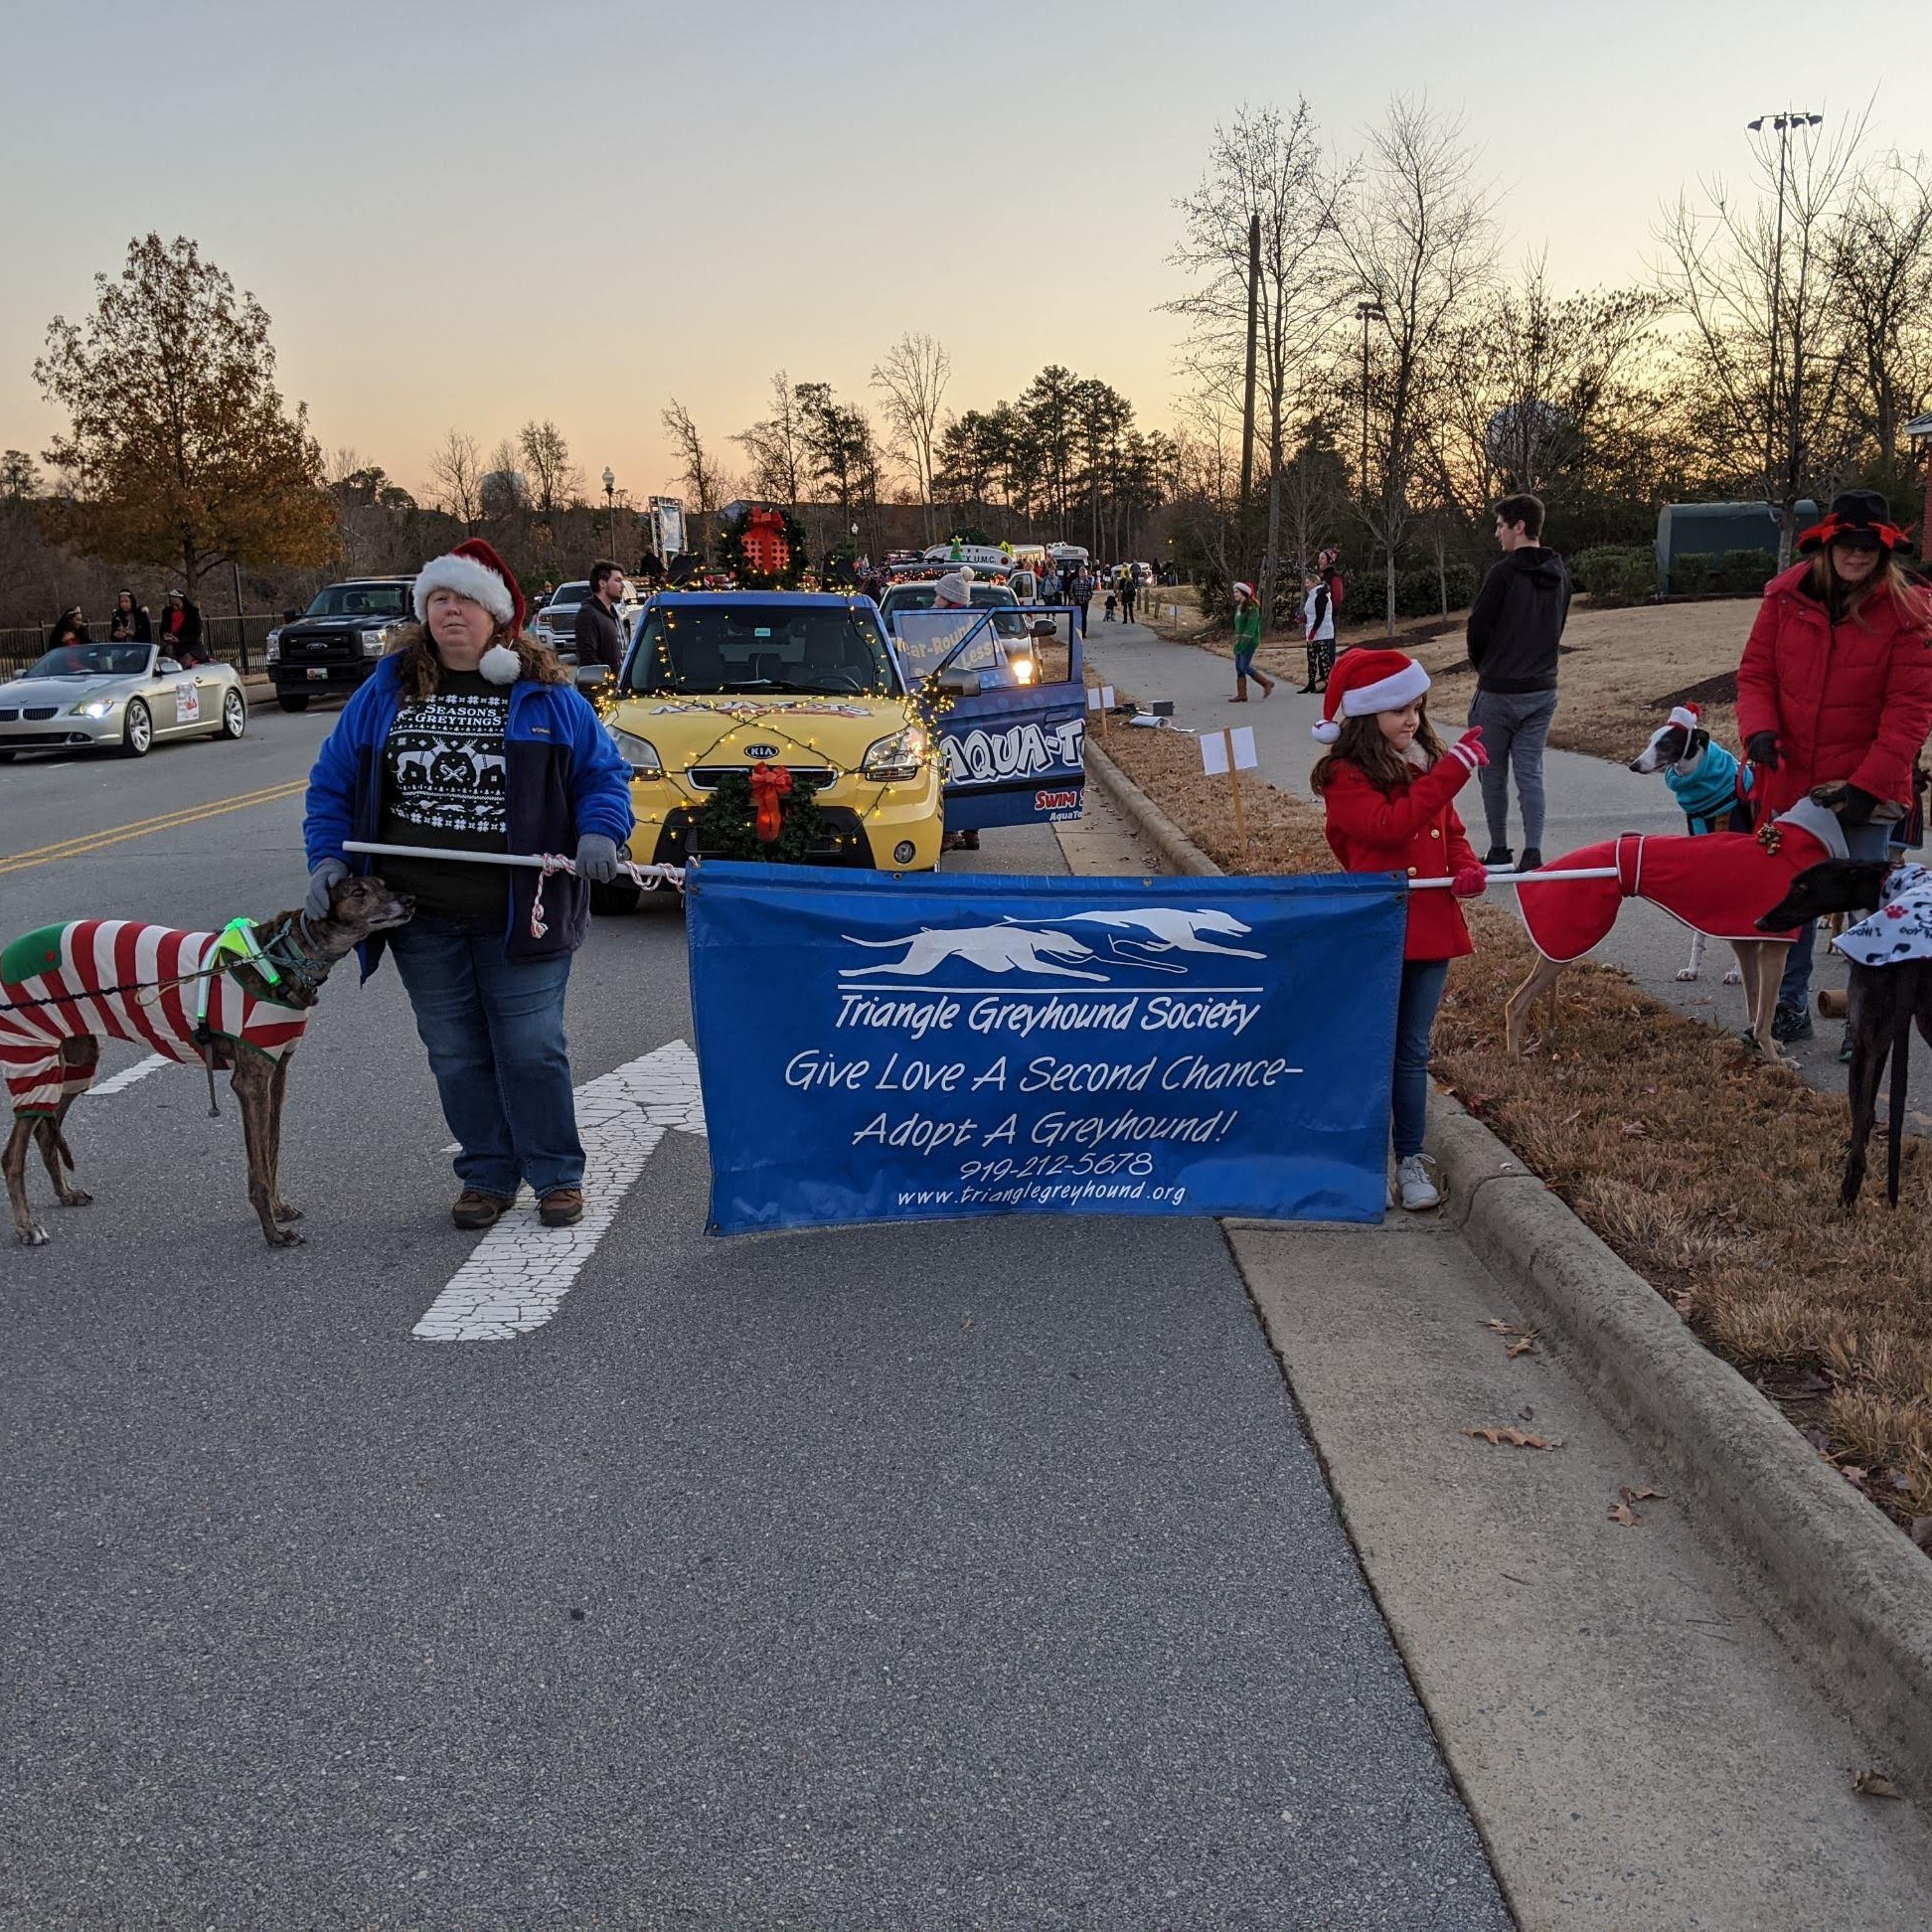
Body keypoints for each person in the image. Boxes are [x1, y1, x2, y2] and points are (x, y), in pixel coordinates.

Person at [302, 538, 633, 1231]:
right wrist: (327, 858)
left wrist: (602, 828)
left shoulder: (544, 693)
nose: (453, 613)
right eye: (441, 600)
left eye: (468, 601)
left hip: (524, 911)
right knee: (455, 1050)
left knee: (532, 1046)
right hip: (419, 916)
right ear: (426, 611)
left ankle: (555, 1175)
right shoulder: (386, 690)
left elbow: (602, 774)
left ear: (499, 616)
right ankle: (486, 1173)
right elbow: (333, 780)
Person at [1736, 489, 1932, 1045]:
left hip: (1870, 784)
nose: (1858, 554)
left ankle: (1865, 1025)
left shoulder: (1910, 611)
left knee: (1868, 910)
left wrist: (1868, 786)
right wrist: (1760, 730)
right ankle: (1784, 1011)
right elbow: (1755, 675)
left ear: (1885, 551)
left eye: (1870, 545)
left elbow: (1911, 709)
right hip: (1794, 780)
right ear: (1829, 543)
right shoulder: (1784, 598)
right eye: (1849, 542)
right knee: (1792, 899)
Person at [1309, 649, 1488, 1209]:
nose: (1411, 720)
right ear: (1366, 716)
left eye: (1417, 707)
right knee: (1370, 1048)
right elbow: (1390, 828)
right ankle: (1365, 1161)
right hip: (1377, 927)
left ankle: (1411, 1158)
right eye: (1396, 710)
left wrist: (1465, 866)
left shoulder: (1425, 762)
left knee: (1411, 1052)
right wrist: (1452, 774)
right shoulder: (1344, 775)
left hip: (1429, 925)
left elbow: (1446, 829)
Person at [1465, 492, 1570, 873]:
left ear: (1519, 527)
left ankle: (1498, 850)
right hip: (1542, 689)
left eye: (1500, 526)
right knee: (1531, 771)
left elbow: (1478, 627)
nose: (1497, 534)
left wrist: (1485, 665)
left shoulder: (1504, 574)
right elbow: (1558, 624)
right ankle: (1534, 851)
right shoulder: (1559, 573)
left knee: (1492, 772)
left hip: (1499, 691)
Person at [573, 559, 627, 675]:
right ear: (602, 583)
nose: (623, 586)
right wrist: (606, 681)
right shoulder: (588, 614)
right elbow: (587, 659)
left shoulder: (614, 615)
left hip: (620, 688)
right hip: (603, 689)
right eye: (618, 580)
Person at [1229, 580, 1274, 701]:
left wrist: (1244, 642)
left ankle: (1266, 683)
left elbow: (1251, 627)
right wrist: (1237, 642)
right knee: (1239, 667)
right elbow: (1238, 627)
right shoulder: (1239, 607)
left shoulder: (1252, 607)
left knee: (1244, 666)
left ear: (1244, 593)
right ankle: (1242, 694)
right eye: (1234, 592)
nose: (1235, 594)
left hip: (1250, 642)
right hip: (1240, 641)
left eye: (1237, 592)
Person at [1301, 568, 1335, 693]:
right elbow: (1311, 615)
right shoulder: (1311, 597)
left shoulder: (1321, 596)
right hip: (1311, 631)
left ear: (1315, 582)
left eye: (1308, 582)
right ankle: (1311, 683)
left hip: (1323, 633)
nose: (1306, 585)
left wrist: (1312, 634)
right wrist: (1302, 619)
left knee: (1324, 659)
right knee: (1311, 659)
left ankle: (1328, 683)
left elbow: (1320, 617)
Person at [158, 588, 208, 665]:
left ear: (183, 602)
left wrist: (180, 640)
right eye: (172, 605)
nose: (174, 607)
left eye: (177, 605)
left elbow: (196, 632)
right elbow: (162, 629)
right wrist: (166, 635)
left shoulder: (192, 612)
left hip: (190, 646)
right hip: (171, 646)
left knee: (184, 659)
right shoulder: (167, 612)